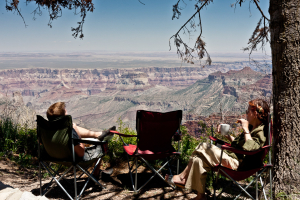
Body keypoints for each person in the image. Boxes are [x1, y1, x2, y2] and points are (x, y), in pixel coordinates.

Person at [165, 99, 270, 200]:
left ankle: (183, 177)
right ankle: (201, 196)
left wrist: (246, 129)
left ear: (255, 113)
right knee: (198, 160)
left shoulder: (261, 131)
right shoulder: (252, 127)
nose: (246, 113)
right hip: (233, 157)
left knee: (203, 146)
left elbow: (250, 149)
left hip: (239, 164)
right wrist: (227, 136)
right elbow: (239, 146)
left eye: (248, 111)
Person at [46, 102, 115, 177]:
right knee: (101, 144)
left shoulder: (47, 128)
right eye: (65, 111)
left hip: (52, 156)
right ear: (64, 116)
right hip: (72, 158)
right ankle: (97, 174)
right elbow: (81, 153)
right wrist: (77, 133)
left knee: (72, 126)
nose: (67, 111)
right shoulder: (70, 131)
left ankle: (98, 134)